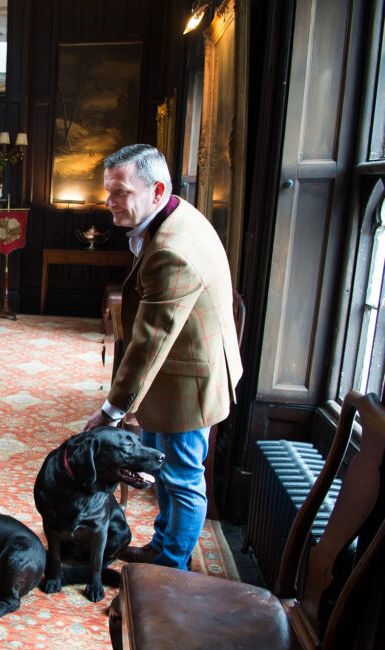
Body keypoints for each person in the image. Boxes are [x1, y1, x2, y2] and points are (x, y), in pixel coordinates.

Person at [84, 144, 243, 571]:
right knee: (163, 471)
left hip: (188, 381)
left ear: (156, 191)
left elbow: (149, 342)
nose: (109, 201)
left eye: (120, 192)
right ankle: (162, 546)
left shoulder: (173, 247)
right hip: (174, 369)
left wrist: (112, 411)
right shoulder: (170, 213)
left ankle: (170, 570)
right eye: (108, 191)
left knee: (181, 478)